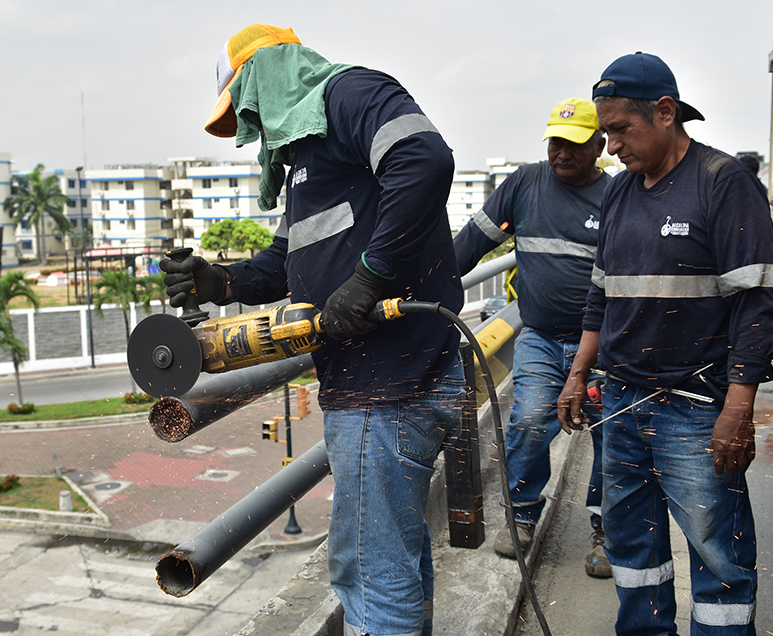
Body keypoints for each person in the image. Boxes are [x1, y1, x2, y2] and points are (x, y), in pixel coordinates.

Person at [160, 25, 464, 636]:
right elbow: (284, 262)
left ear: (266, 78)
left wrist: (370, 278)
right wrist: (218, 282)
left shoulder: (348, 96)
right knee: (395, 560)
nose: (252, 131)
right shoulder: (309, 160)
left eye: (246, 111)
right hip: (382, 388)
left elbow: (426, 159)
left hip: (389, 391)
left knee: (368, 572)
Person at [558, 52, 773, 635]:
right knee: (634, 556)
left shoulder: (723, 183)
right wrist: (579, 374)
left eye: (619, 131)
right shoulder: (620, 194)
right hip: (624, 405)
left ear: (665, 112)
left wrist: (738, 408)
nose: (611, 148)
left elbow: (755, 302)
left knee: (718, 560)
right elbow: (601, 296)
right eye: (605, 135)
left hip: (697, 412)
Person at [453, 97, 611, 577]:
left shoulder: (618, 196)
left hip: (605, 341)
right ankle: (521, 515)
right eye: (554, 142)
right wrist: (425, 290)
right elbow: (469, 245)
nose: (561, 152)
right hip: (540, 334)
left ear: (600, 144)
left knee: (612, 433)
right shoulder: (524, 183)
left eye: (575, 144)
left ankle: (610, 528)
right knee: (529, 418)